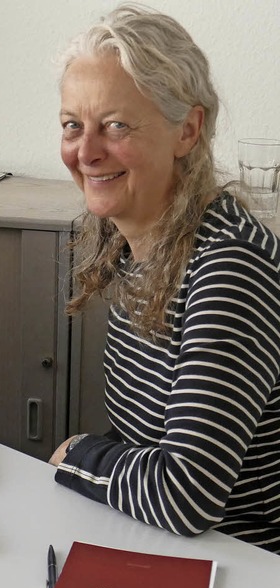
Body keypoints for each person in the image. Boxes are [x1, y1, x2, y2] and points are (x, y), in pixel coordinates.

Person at [49, 4, 280, 554]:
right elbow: (143, 445)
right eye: (72, 125)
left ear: (188, 130)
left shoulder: (230, 265)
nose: (86, 152)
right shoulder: (134, 243)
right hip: (164, 543)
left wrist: (79, 454)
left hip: (243, 565)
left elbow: (184, 494)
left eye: (116, 125)